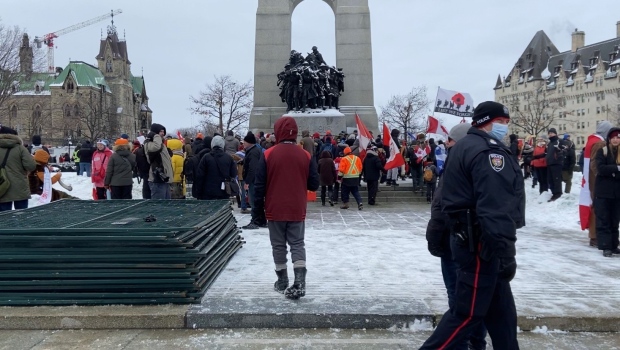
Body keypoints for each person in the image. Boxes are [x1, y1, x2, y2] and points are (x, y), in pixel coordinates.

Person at [420, 101, 524, 350]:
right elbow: (494, 207)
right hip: (482, 244)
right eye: (502, 122)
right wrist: (506, 251)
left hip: (474, 239)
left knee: (503, 317)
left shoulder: (466, 146)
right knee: (466, 315)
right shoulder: (488, 151)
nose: (505, 127)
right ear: (489, 121)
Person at [425, 122, 487, 350]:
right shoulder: (480, 161)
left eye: (450, 140)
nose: (446, 143)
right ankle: (476, 342)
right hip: (472, 240)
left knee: (459, 298)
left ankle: (461, 344)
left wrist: (433, 237)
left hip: (456, 240)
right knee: (473, 299)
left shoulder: (456, 164)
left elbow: (441, 208)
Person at [253, 116, 319, 299]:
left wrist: (257, 211)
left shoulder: (268, 154)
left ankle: (282, 280)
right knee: (297, 243)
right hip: (297, 207)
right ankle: (300, 281)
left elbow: (259, 186)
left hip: (274, 208)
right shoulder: (305, 155)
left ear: (278, 131)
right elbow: (314, 184)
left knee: (278, 245)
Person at [582, 121, 613, 247]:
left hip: (592, 179)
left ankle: (595, 235)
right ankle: (595, 236)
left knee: (596, 206)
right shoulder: (599, 143)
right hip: (597, 181)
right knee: (599, 207)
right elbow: (596, 165)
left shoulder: (592, 140)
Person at [593, 127, 620, 257]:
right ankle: (605, 246)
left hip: (617, 193)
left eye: (618, 137)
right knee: (604, 219)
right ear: (609, 139)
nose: (615, 140)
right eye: (613, 137)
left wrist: (613, 172)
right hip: (603, 192)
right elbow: (601, 168)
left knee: (614, 220)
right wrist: (616, 168)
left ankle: (614, 245)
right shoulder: (602, 151)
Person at [0, 125, 36, 211]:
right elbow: (31, 166)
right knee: (21, 218)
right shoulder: (21, 148)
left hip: (1, 186)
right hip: (20, 188)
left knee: (4, 219)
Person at [195, 135, 236, 200]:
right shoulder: (229, 158)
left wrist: (198, 192)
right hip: (224, 190)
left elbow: (200, 175)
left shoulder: (206, 157)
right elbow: (233, 174)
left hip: (208, 191)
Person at [241, 132, 264, 229]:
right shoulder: (254, 151)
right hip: (256, 179)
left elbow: (252, 168)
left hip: (254, 181)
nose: (243, 144)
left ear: (249, 142)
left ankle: (255, 220)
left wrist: (247, 182)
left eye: (245, 142)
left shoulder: (253, 152)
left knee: (253, 201)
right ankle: (261, 220)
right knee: (256, 200)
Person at [145, 123, 173, 199]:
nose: (163, 134)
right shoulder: (149, 143)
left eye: (164, 132)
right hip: (157, 179)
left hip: (164, 179)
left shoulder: (161, 144)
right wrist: (156, 136)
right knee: (159, 207)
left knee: (166, 207)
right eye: (161, 131)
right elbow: (156, 147)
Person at [546, 128, 565, 201]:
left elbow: (565, 150)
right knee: (550, 180)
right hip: (550, 163)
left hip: (556, 163)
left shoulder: (559, 141)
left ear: (555, 133)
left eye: (552, 133)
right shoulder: (550, 143)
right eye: (549, 133)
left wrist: (560, 154)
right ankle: (554, 192)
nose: (550, 134)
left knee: (556, 179)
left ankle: (558, 193)